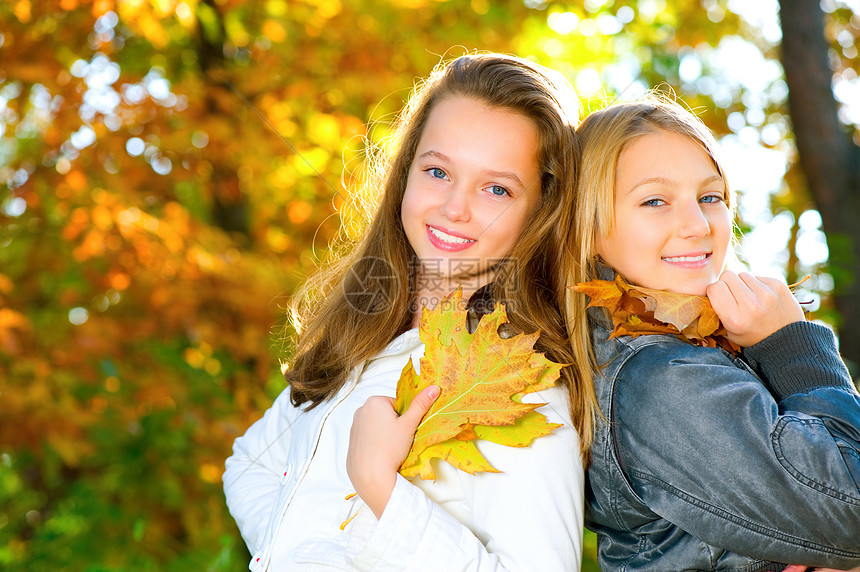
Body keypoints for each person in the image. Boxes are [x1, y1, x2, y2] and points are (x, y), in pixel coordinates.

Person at [223, 52, 597, 571]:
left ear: (542, 211)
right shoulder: (365, 336)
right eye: (438, 171)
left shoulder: (519, 386)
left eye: (496, 189)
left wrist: (382, 489)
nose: (454, 208)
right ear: (405, 173)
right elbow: (248, 466)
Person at [566, 94, 860, 571]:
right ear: (588, 225)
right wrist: (791, 343)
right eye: (655, 201)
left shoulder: (697, 348)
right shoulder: (658, 378)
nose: (698, 225)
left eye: (710, 197)